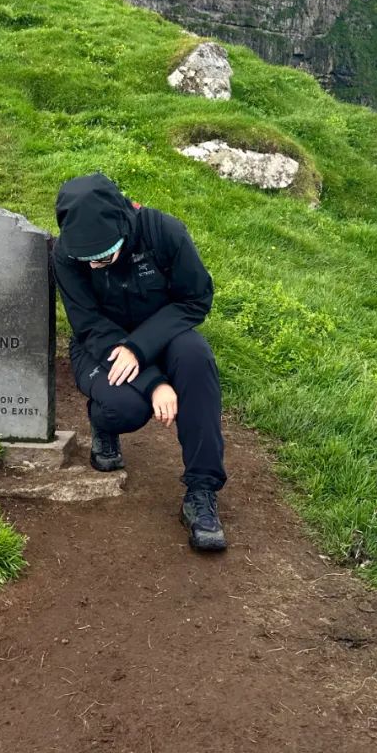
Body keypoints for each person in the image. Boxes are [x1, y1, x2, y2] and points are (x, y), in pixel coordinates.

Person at [53, 172, 227, 551]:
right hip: (99, 344)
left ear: (123, 227)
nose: (96, 266)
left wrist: (140, 348)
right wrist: (155, 382)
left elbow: (195, 300)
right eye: (88, 261)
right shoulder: (65, 255)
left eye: (104, 257)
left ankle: (201, 492)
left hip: (165, 334)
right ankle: (103, 424)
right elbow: (88, 324)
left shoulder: (165, 232)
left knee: (197, 360)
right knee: (124, 407)